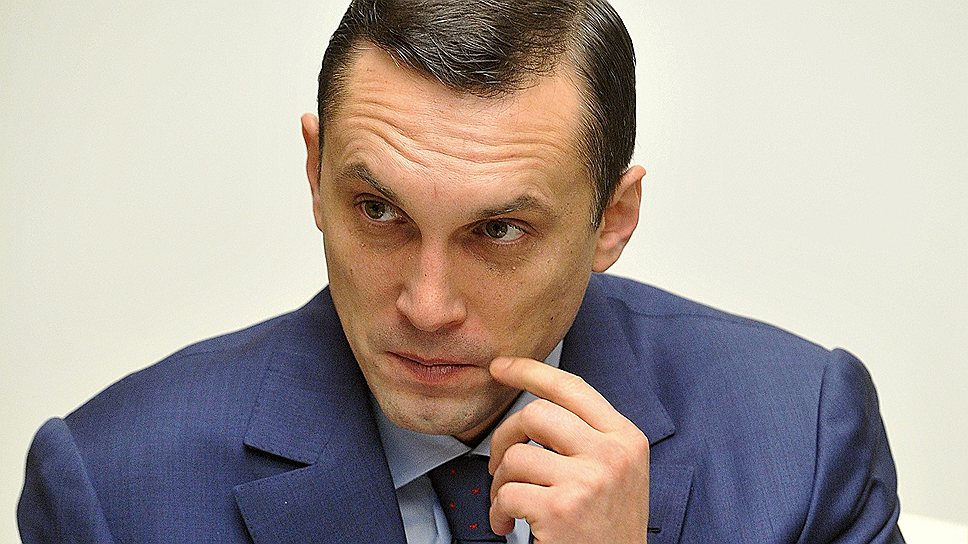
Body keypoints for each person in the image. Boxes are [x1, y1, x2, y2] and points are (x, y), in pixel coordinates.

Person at [18, 0, 904, 542]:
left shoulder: (802, 440)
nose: (427, 305)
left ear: (613, 220)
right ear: (316, 176)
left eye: (499, 231)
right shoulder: (111, 488)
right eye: (380, 212)